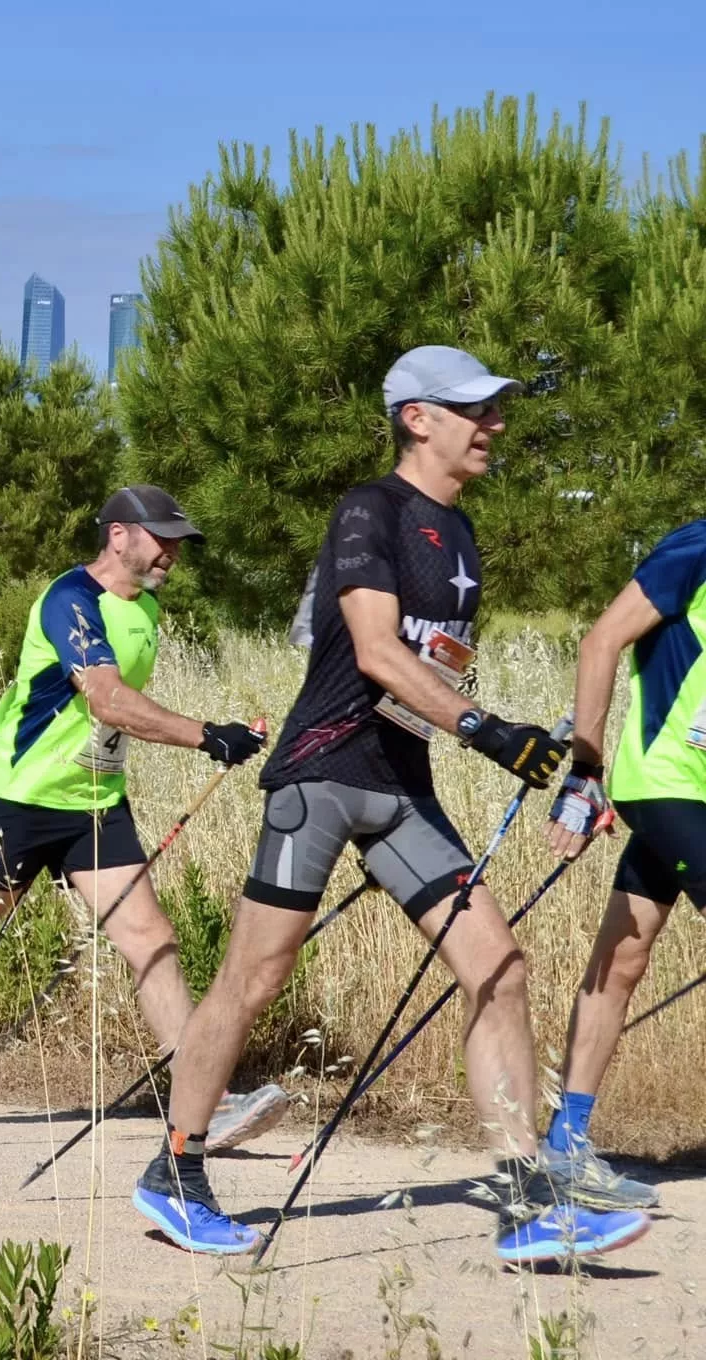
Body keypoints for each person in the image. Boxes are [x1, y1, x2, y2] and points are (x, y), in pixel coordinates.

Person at [132, 346, 649, 1265]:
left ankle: (526, 1198)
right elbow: (374, 651)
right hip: (321, 778)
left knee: (500, 968)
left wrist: (508, 736)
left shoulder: (461, 536)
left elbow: (422, 678)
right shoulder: (370, 511)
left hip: (402, 788)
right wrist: (490, 731)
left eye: (498, 411)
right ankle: (177, 1167)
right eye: (474, 410)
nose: (495, 425)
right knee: (253, 980)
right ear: (417, 417)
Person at [0, 486, 284, 1146]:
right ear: (117, 536)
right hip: (21, 801)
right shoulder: (69, 600)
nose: (172, 552)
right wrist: (204, 735)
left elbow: (117, 706)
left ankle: (205, 1100)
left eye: (178, 541)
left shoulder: (149, 609)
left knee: (150, 938)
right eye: (160, 537)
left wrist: (217, 734)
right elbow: (106, 700)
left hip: (94, 806)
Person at [537, 516, 706, 1211]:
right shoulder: (696, 547)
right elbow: (601, 640)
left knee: (625, 953)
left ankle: (565, 1143)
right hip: (664, 780)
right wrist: (586, 768)